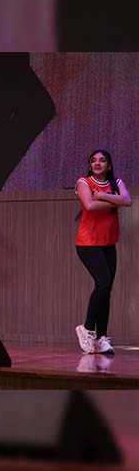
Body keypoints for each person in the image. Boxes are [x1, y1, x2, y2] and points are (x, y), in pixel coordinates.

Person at [74, 149, 131, 355]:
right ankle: (87, 327)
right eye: (94, 161)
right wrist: (114, 199)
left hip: (108, 243)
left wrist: (103, 195)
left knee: (106, 290)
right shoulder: (83, 182)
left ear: (109, 165)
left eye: (102, 160)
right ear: (90, 165)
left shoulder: (117, 183)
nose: (97, 163)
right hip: (88, 243)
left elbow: (128, 200)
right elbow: (89, 205)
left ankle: (101, 338)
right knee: (103, 283)